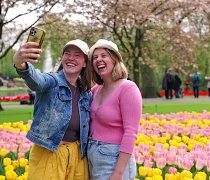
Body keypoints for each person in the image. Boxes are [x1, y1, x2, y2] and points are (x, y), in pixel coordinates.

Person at [13, 39, 92, 180]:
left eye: (77, 55)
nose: (71, 58)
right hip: (48, 152)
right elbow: (36, 79)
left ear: (85, 63)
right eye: (67, 53)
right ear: (62, 58)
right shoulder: (52, 81)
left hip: (76, 156)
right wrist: (21, 63)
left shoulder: (86, 94)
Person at [87, 39, 142, 180]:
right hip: (92, 156)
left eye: (104, 55)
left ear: (115, 59)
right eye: (95, 57)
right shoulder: (95, 90)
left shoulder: (128, 88)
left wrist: (118, 173)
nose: (99, 59)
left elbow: (130, 133)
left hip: (114, 159)